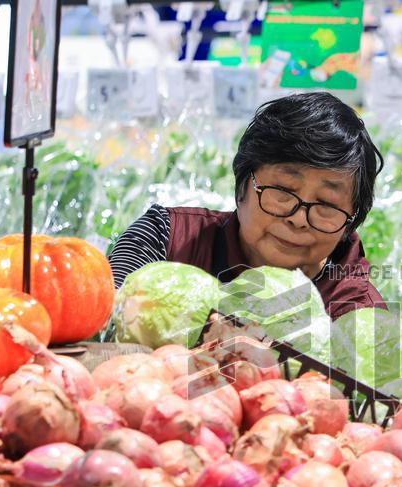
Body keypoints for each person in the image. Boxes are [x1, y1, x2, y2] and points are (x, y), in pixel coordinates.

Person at [109, 91, 386, 320]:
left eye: (326, 205)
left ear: (350, 221)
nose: (299, 218)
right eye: (283, 191)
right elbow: (103, 319)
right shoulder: (165, 238)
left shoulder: (358, 314)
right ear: (243, 182)